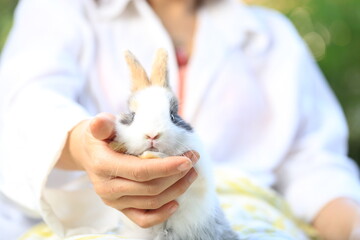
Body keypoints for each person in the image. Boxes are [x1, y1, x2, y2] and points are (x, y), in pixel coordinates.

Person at [0, 0, 360, 239]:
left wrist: (349, 223)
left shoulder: (274, 36)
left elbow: (315, 162)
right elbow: (23, 102)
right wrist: (82, 146)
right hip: (96, 218)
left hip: (243, 213)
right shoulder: (60, 9)